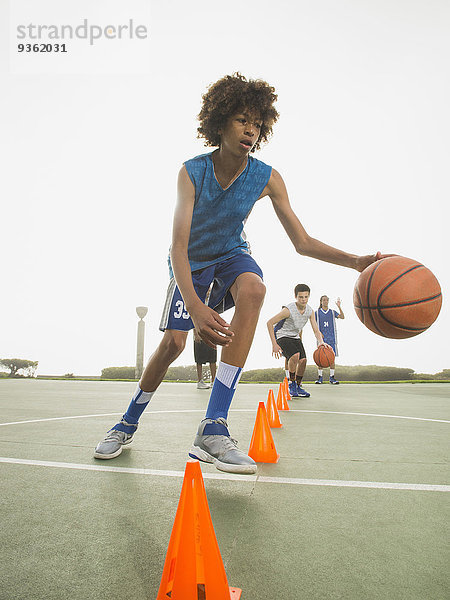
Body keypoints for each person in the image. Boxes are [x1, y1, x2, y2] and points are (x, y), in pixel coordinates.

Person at [94, 73, 381, 475]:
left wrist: (356, 262)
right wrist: (194, 307)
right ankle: (126, 423)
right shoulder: (191, 173)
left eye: (258, 124)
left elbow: (302, 241)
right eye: (242, 120)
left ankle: (213, 426)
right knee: (173, 345)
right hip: (189, 265)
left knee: (255, 289)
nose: (250, 130)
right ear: (220, 122)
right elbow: (178, 246)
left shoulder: (266, 177)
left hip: (232, 256)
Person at [267, 284, 330, 398]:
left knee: (303, 360)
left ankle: (298, 385)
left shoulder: (310, 311)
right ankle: (291, 384)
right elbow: (270, 323)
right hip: (282, 335)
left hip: (294, 336)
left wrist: (321, 342)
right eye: (301, 297)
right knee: (295, 356)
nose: (303, 300)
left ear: (309, 296)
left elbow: (316, 330)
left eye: (306, 297)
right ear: (296, 296)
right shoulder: (288, 310)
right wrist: (274, 344)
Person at [314, 296, 344, 384]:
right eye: (324, 300)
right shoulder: (316, 313)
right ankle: (320, 377)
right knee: (320, 357)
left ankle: (332, 377)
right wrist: (318, 333)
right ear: (321, 302)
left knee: (332, 358)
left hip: (331, 338)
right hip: (322, 339)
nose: (326, 301)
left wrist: (339, 306)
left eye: (327, 300)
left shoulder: (332, 312)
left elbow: (342, 316)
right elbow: (313, 324)